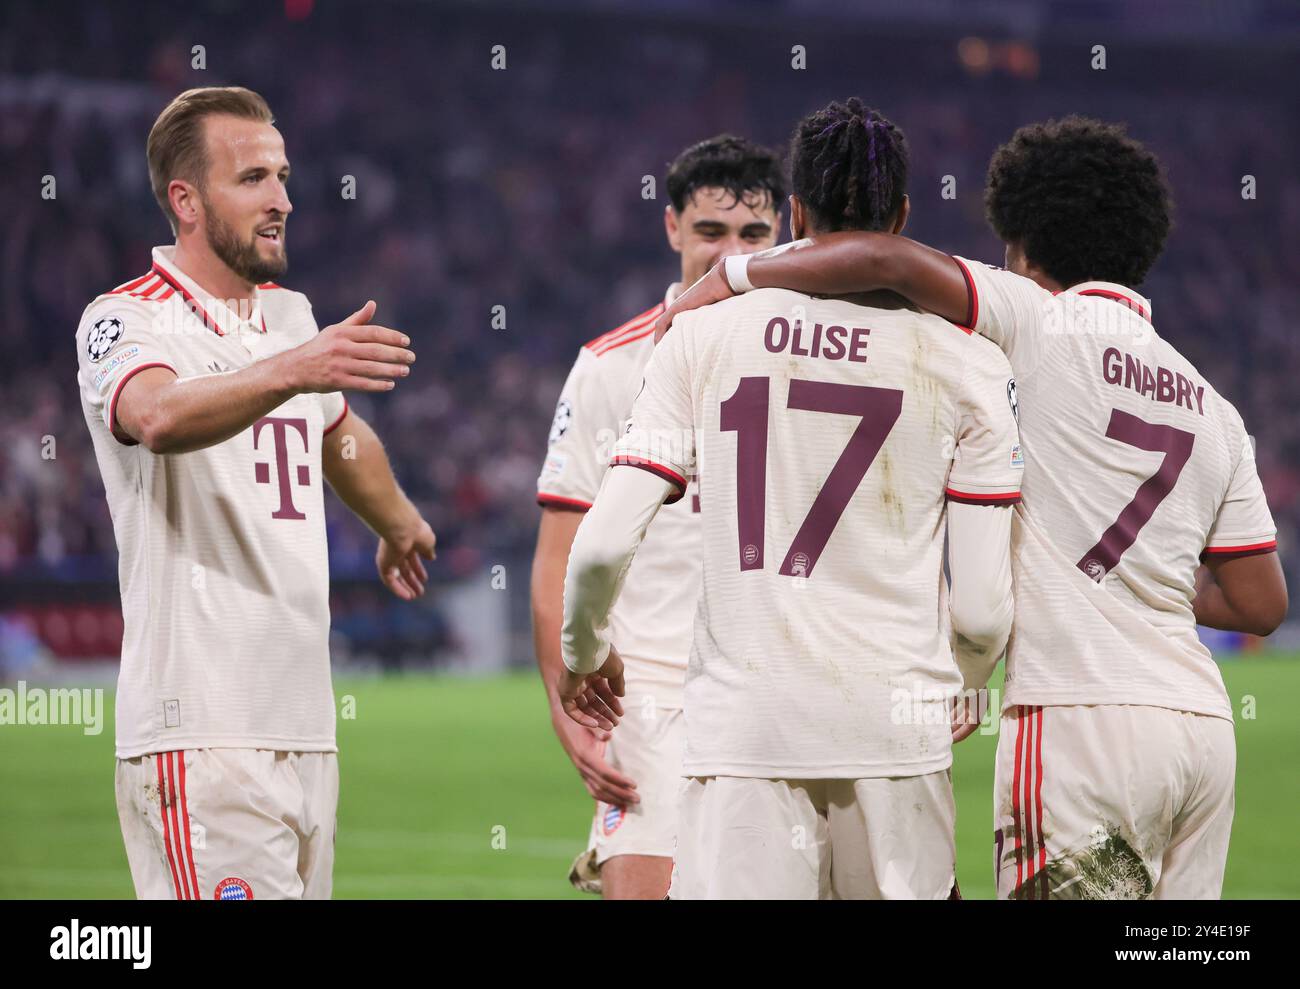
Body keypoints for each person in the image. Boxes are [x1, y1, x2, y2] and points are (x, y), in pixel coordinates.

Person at [655, 115, 1288, 898]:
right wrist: (1139, 570)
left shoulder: (1036, 320)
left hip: (1078, 720)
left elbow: (883, 256)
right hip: (1202, 731)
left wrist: (735, 278)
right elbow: (1261, 602)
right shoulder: (1213, 405)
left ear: (1021, 244)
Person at [558, 99, 1020, 899]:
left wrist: (584, 654)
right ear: (903, 215)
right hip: (894, 732)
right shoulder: (970, 362)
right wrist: (962, 682)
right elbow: (980, 611)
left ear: (794, 213)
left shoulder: (699, 334)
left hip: (743, 737)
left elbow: (598, 545)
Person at [76, 86, 436, 900]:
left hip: (304, 725)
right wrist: (294, 367)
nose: (283, 199)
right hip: (200, 728)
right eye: (253, 179)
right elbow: (158, 416)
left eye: (282, 176)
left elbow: (338, 433)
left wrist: (398, 520)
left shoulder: (290, 316)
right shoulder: (124, 321)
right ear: (187, 200)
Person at [531, 135, 784, 898]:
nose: (728, 252)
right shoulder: (610, 366)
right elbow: (558, 557)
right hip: (649, 696)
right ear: (672, 227)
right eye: (711, 231)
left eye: (753, 235)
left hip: (779, 689)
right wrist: (563, 702)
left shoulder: (816, 360)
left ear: (785, 237)